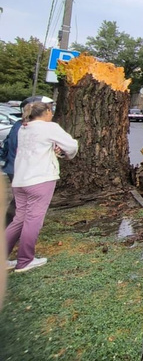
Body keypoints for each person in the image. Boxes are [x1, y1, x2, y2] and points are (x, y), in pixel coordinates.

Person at [6, 100, 78, 273]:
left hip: (20, 180)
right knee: (33, 219)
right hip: (40, 179)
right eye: (51, 111)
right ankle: (25, 260)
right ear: (46, 112)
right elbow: (72, 145)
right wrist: (69, 155)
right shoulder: (49, 127)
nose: (52, 114)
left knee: (19, 219)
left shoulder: (24, 128)